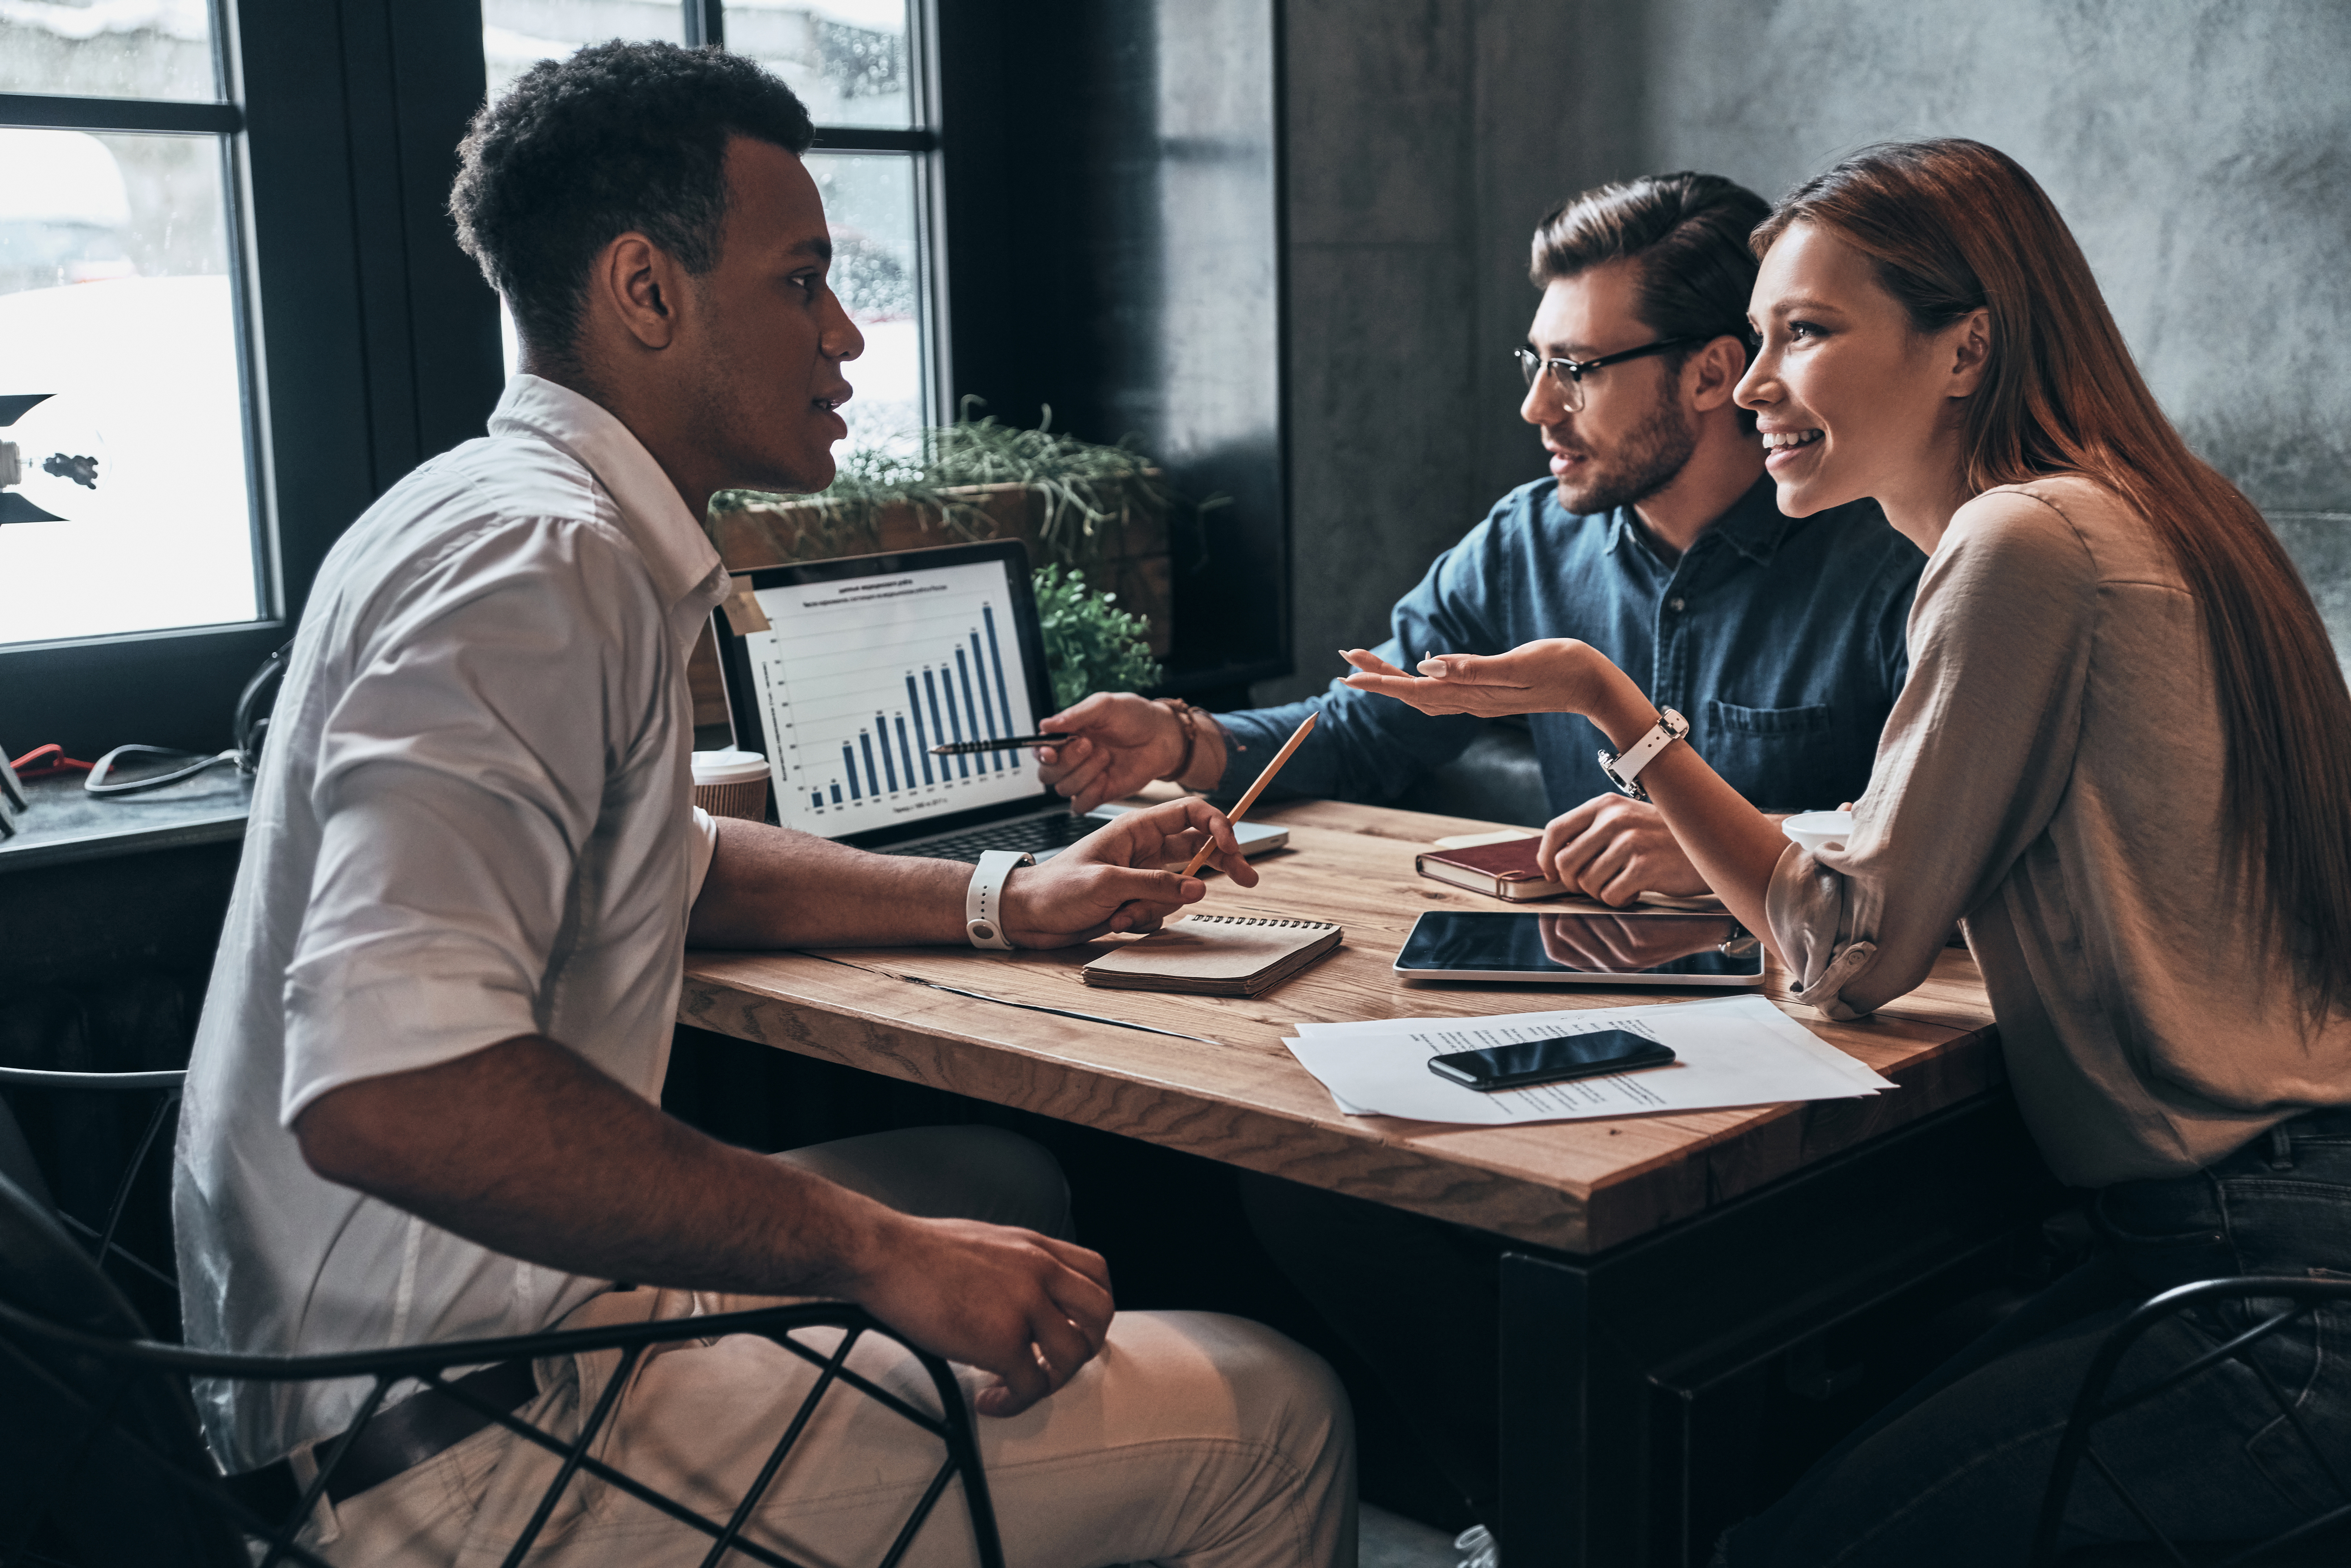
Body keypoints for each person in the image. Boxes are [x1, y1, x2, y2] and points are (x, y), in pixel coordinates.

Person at [171, 42, 1353, 1567]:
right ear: (643, 293)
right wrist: (875, 1252)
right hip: (462, 1456)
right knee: (1280, 1414)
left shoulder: (494, 510)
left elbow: (669, 856)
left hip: (410, 1353)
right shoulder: (540, 571)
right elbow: (392, 1088)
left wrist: (1008, 894)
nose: (849, 334)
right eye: (802, 280)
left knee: (1005, 1180)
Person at [1347, 137, 2351, 1564]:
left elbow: (1847, 952)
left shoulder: (2016, 545)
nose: (1748, 384)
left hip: (2262, 1276)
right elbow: (1914, 838)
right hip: (2243, 1222)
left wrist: (1609, 702)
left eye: (1803, 333)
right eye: (1754, 339)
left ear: (1965, 350)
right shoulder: (2140, 501)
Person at [1036, 171, 1924, 907]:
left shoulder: (1896, 558)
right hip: (1587, 995)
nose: (1536, 406)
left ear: (1711, 373)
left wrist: (1739, 847)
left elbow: (1938, 846)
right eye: (1534, 363)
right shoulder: (1525, 540)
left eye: (1574, 370)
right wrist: (1179, 741)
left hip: (1839, 1019)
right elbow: (1367, 725)